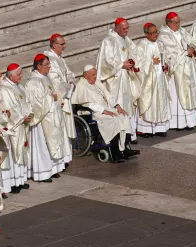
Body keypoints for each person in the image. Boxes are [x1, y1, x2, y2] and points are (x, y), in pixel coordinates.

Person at [71, 65, 140, 162]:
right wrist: (104, 111)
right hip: (95, 113)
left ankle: (124, 149)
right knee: (114, 120)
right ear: (86, 76)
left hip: (107, 110)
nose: (95, 76)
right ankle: (115, 153)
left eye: (95, 74)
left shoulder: (96, 82)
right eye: (93, 75)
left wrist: (117, 107)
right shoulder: (81, 85)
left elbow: (108, 96)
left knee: (123, 116)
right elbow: (88, 104)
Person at [96, 17, 141, 142]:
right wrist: (121, 65)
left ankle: (130, 133)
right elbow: (105, 61)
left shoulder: (125, 38)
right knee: (117, 104)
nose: (127, 31)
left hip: (124, 78)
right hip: (114, 80)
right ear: (117, 28)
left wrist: (132, 61)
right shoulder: (108, 41)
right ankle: (119, 135)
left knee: (127, 104)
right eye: (124, 28)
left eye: (127, 28)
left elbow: (134, 50)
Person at [25, 54, 65, 182]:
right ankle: (42, 173)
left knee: (51, 144)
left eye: (49, 64)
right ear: (38, 66)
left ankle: (52, 170)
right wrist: (51, 98)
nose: (49, 66)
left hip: (51, 116)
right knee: (42, 146)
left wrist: (56, 98)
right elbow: (34, 102)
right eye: (46, 64)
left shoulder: (45, 77)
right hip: (41, 120)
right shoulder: (33, 82)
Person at [158, 12, 196, 130]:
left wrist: (192, 48)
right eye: (176, 22)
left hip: (188, 66)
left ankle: (190, 121)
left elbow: (192, 41)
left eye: (179, 21)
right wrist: (186, 53)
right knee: (177, 95)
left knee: (190, 92)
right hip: (177, 70)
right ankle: (178, 122)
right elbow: (170, 53)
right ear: (169, 23)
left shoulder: (182, 31)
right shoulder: (164, 35)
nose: (178, 24)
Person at [0, 63, 31, 190]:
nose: (21, 76)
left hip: (22, 124)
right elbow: (9, 109)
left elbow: (25, 102)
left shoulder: (18, 86)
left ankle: (21, 179)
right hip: (14, 126)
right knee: (14, 153)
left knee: (22, 150)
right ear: (10, 76)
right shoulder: (4, 89)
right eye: (18, 74)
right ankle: (13, 182)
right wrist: (22, 117)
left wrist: (29, 114)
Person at [135, 23, 171, 137]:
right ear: (146, 34)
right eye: (152, 33)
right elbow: (137, 62)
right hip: (148, 80)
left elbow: (167, 57)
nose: (155, 35)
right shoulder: (141, 45)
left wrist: (166, 65)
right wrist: (150, 62)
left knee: (160, 101)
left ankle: (160, 127)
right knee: (149, 102)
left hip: (160, 78)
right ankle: (145, 129)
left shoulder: (160, 44)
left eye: (156, 32)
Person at [44, 34, 75, 165]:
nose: (64, 46)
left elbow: (69, 73)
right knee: (60, 128)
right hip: (58, 99)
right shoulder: (50, 60)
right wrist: (69, 86)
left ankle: (65, 157)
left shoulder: (58, 58)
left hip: (64, 95)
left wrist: (71, 80)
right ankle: (60, 159)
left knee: (64, 128)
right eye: (62, 44)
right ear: (54, 45)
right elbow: (55, 82)